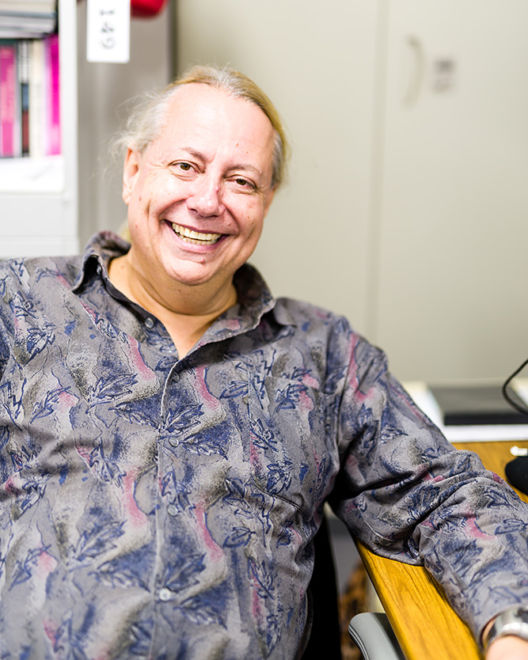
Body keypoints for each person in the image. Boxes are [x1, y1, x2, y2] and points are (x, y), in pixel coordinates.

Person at [0, 65, 527, 660]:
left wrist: (513, 628)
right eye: (185, 166)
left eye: (241, 181)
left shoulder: (321, 353)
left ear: (267, 201)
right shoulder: (19, 305)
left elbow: (445, 496)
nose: (207, 201)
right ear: (132, 170)